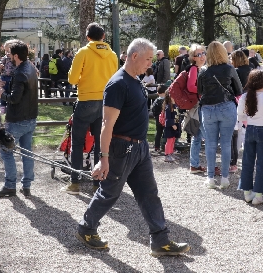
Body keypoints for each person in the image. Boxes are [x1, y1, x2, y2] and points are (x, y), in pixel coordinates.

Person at [75, 38, 189, 256]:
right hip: (122, 148)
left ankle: (160, 241)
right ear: (134, 56)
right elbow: (106, 124)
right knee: (109, 193)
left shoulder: (135, 80)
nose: (150, 64)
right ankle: (86, 228)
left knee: (149, 194)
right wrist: (104, 157)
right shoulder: (118, 84)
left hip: (140, 149)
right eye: (147, 59)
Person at [62, 23, 118, 195]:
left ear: (87, 37)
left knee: (77, 143)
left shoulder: (84, 52)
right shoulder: (113, 55)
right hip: (105, 102)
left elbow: (72, 79)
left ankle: (75, 183)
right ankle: (97, 182)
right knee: (100, 145)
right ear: (104, 36)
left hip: (86, 99)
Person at [0, 40, 38, 197]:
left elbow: (15, 98)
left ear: (16, 56)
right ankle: (26, 185)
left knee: (5, 151)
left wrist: (1, 94)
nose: (8, 57)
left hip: (18, 120)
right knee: (27, 152)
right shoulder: (31, 68)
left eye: (10, 54)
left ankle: (10, 185)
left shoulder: (19, 73)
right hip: (31, 118)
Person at [198, 41, 243, 189]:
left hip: (208, 108)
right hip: (226, 107)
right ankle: (224, 178)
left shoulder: (203, 70)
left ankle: (210, 178)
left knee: (210, 144)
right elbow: (238, 90)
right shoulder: (229, 68)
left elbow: (199, 91)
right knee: (225, 143)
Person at [238, 70, 263, 205]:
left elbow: (241, 116)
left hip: (250, 129)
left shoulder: (245, 96)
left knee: (247, 160)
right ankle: (259, 194)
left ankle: (247, 192)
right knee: (262, 162)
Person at [187, 44, 208, 174]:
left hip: (198, 105)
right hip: (199, 106)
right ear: (193, 58)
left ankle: (194, 165)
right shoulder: (194, 69)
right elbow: (190, 87)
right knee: (208, 136)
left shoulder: (200, 69)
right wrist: (204, 91)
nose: (202, 56)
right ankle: (211, 166)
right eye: (198, 54)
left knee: (197, 137)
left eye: (203, 53)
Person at [0, 40, 17, 114]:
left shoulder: (15, 59)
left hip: (12, 77)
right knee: (3, 90)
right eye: (6, 51)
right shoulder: (5, 58)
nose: (7, 53)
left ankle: (9, 105)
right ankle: (2, 105)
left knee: (10, 92)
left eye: (9, 51)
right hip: (4, 77)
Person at [162, 94, 180, 163]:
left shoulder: (175, 105)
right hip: (170, 126)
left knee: (173, 140)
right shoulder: (168, 106)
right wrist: (172, 124)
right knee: (169, 140)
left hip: (175, 125)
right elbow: (168, 117)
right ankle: (167, 155)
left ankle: (171, 153)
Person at [151, 85, 167, 155]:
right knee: (165, 133)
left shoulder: (156, 101)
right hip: (164, 119)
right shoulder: (165, 101)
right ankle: (164, 146)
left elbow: (153, 110)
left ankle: (157, 146)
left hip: (158, 119)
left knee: (158, 133)